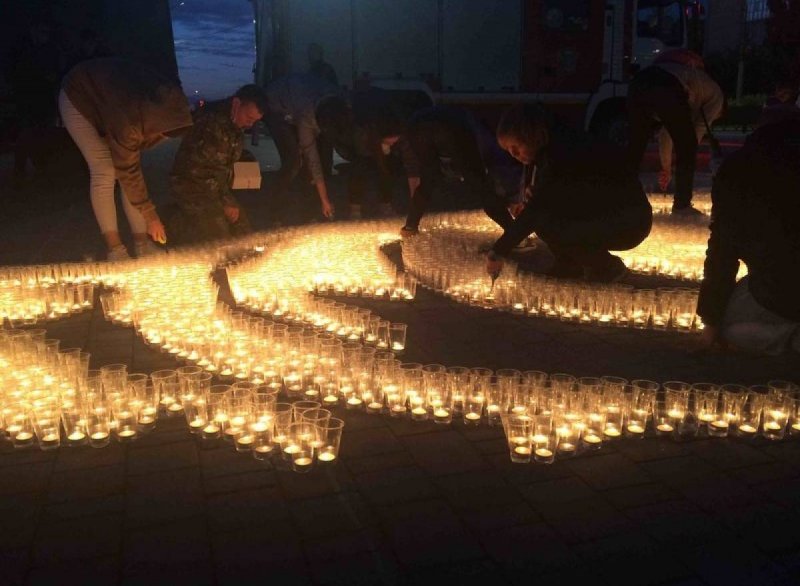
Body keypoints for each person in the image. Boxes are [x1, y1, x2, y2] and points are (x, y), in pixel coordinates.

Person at [486, 103, 652, 283]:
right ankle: (570, 264)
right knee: (544, 216)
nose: (514, 154)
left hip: (627, 222)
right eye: (509, 150)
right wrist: (537, 200)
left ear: (532, 135)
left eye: (515, 146)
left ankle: (606, 267)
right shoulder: (555, 146)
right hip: (616, 215)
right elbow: (563, 196)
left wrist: (499, 251)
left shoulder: (561, 153)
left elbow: (541, 208)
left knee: (545, 220)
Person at [59, 57, 192, 260]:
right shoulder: (129, 123)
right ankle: (116, 250)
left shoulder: (171, 104)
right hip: (79, 96)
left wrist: (149, 217)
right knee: (105, 171)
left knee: (129, 174)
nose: (157, 141)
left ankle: (142, 244)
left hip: (109, 101)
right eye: (159, 135)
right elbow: (128, 171)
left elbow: (132, 173)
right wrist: (151, 216)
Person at [696, 110, 800, 355]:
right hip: (778, 280)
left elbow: (722, 250)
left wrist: (711, 321)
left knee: (732, 327)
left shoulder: (740, 169)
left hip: (779, 286)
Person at [166, 84, 267, 245]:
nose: (250, 124)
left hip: (215, 187)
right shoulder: (211, 125)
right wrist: (223, 204)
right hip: (191, 186)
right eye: (249, 118)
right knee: (220, 238)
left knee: (243, 231)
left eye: (254, 121)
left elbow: (224, 161)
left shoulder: (234, 125)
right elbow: (200, 172)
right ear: (236, 104)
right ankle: (176, 223)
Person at [627, 49, 723, 215]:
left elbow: (667, 133)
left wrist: (666, 168)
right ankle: (682, 205)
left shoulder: (688, 76)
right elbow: (694, 134)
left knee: (636, 146)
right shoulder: (716, 97)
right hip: (667, 85)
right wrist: (686, 152)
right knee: (688, 145)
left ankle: (624, 197)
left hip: (638, 83)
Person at [400, 106, 521, 236]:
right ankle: (514, 233)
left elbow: (419, 168)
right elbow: (493, 164)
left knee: (429, 177)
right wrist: (514, 199)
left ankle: (410, 227)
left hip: (415, 126)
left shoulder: (469, 123)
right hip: (450, 128)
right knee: (479, 184)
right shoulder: (481, 134)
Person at [264, 73, 346, 218]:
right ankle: (275, 209)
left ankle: (310, 205)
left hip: (299, 95)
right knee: (294, 161)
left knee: (321, 158)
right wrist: (325, 200)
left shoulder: (338, 101)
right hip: (274, 104)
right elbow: (312, 157)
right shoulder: (306, 117)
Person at [338, 88, 419, 218]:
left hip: (379, 124)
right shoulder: (362, 132)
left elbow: (412, 169)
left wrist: (416, 204)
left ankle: (385, 206)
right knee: (360, 168)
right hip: (364, 134)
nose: (393, 143)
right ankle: (355, 210)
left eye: (395, 142)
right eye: (391, 141)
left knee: (388, 166)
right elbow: (366, 152)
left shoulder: (401, 129)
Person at [5, 19, 62, 182]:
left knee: (42, 133)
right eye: (43, 31)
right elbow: (14, 73)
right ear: (34, 29)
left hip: (43, 99)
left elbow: (55, 70)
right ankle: (21, 169)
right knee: (26, 133)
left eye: (47, 32)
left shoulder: (48, 49)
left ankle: (41, 165)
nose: (46, 35)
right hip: (26, 98)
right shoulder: (21, 49)